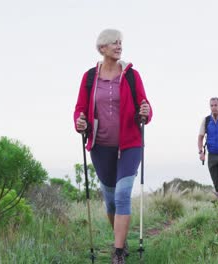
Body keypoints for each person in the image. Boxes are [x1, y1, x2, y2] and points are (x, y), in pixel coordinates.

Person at [73, 29, 152, 264]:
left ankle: (118, 253)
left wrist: (146, 112)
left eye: (121, 43)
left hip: (130, 145)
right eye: (114, 43)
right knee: (109, 200)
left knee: (122, 195)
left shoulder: (131, 75)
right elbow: (80, 108)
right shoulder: (89, 78)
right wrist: (79, 121)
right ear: (102, 49)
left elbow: (145, 105)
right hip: (101, 146)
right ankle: (121, 238)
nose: (119, 46)